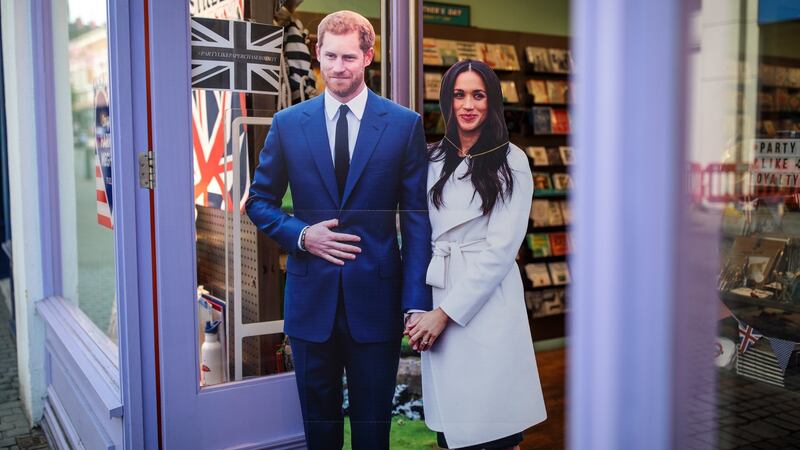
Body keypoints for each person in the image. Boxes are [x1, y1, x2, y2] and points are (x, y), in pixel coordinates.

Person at [245, 10, 432, 450]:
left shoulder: (404, 125)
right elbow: (258, 202)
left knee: (373, 429)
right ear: (317, 53)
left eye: (349, 57)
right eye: (330, 56)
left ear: (368, 57)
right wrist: (303, 235)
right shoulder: (288, 124)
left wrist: (416, 302)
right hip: (312, 302)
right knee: (319, 428)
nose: (338, 67)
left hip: (378, 303)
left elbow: (417, 217)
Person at [404, 59, 547, 450]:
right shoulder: (431, 158)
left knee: (496, 430)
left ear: (492, 102)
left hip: (486, 304)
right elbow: (416, 234)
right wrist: (416, 309)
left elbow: (501, 250)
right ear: (446, 101)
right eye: (459, 94)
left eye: (478, 95)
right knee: (451, 432)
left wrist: (443, 315)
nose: (468, 105)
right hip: (438, 292)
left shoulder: (512, 160)